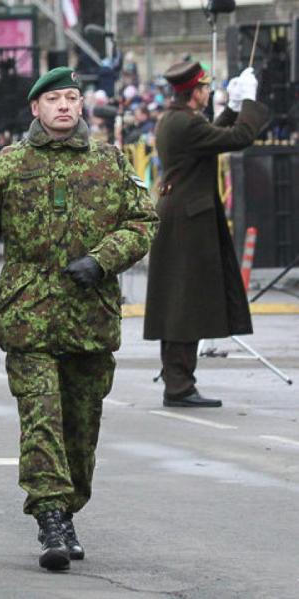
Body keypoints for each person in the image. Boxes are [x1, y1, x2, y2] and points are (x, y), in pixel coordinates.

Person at [0, 67, 157, 571]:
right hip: (29, 317)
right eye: (54, 99)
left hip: (91, 320)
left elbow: (143, 221)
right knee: (41, 419)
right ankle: (51, 517)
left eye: (72, 97)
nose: (65, 107)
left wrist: (104, 258)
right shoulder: (9, 166)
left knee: (81, 429)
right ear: (35, 109)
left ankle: (69, 505)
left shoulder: (110, 162)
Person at [143, 62, 269, 408]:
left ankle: (178, 381)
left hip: (181, 215)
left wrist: (232, 108)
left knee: (180, 303)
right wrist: (250, 104)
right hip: (187, 220)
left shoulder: (176, 119)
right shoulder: (185, 123)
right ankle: (179, 386)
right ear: (194, 92)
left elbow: (211, 136)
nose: (208, 93)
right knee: (185, 304)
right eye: (205, 89)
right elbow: (237, 138)